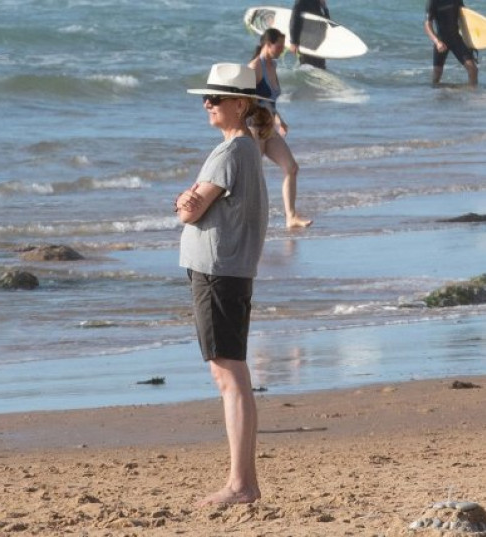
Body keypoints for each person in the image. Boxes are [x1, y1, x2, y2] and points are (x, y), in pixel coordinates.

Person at [175, 63, 271, 506]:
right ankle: (243, 482)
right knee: (230, 372)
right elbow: (194, 202)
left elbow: (191, 209)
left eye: (216, 97)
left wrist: (183, 204)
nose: (207, 104)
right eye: (206, 97)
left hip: (218, 271)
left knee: (229, 373)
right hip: (228, 269)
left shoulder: (231, 153)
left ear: (241, 103)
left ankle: (241, 483)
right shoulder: (244, 149)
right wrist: (187, 202)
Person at [248, 28, 312, 228]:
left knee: (291, 168)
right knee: (253, 177)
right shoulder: (254, 67)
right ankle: (247, 221)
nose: (282, 49)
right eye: (279, 46)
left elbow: (270, 101)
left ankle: (291, 217)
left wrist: (278, 119)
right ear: (268, 44)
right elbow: (243, 100)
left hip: (269, 127)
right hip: (254, 128)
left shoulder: (272, 66)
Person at [424, 0, 478, 85]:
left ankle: (471, 93)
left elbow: (464, 16)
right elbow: (427, 25)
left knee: (472, 69)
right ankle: (434, 94)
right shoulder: (433, 2)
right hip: (441, 41)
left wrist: (471, 40)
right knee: (437, 73)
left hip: (456, 39)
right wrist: (437, 42)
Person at [290, 0, 330, 69]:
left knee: (320, 68)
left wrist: (324, 7)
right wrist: (294, 42)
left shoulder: (317, 3)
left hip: (317, 44)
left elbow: (327, 22)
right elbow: (294, 19)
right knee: (307, 68)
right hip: (306, 43)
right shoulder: (302, 1)